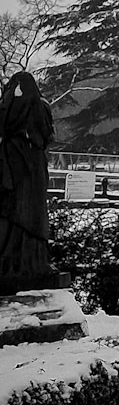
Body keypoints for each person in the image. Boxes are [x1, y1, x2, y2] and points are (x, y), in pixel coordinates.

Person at [0, 71, 55, 291]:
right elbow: (48, 135)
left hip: (11, 164)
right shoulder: (41, 108)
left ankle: (10, 257)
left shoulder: (7, 106)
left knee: (11, 212)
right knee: (33, 214)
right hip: (34, 169)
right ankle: (33, 260)